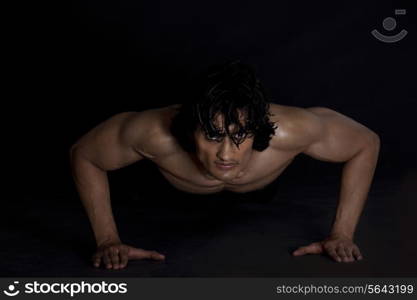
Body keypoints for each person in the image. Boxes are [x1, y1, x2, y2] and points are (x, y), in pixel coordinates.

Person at [70, 60, 380, 270]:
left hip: (265, 191)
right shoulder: (154, 134)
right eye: (212, 136)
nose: (225, 154)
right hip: (169, 197)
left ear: (257, 131)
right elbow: (84, 154)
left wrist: (342, 233)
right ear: (191, 130)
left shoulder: (294, 129)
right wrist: (108, 239)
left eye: (239, 136)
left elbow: (366, 143)